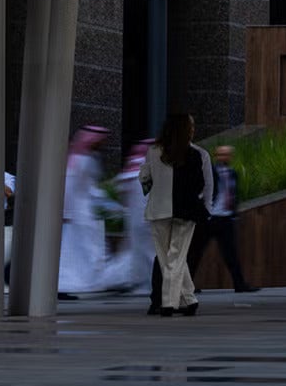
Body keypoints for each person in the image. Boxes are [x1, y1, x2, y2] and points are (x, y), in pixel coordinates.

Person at [140, 112, 211, 316]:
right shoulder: (196, 154)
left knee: (166, 258)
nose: (193, 129)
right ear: (186, 129)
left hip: (158, 210)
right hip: (186, 212)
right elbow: (200, 184)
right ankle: (172, 303)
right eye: (192, 125)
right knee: (177, 258)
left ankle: (187, 300)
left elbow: (144, 176)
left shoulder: (153, 151)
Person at [191, 146, 258, 293]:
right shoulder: (210, 172)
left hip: (226, 218)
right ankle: (187, 286)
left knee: (231, 254)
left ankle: (239, 284)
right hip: (210, 218)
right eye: (221, 154)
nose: (224, 157)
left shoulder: (233, 173)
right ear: (216, 156)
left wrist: (234, 213)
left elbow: (234, 194)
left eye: (227, 155)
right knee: (195, 252)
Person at [58, 126, 112, 296]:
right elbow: (74, 188)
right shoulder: (83, 160)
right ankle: (80, 282)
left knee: (79, 248)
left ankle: (79, 281)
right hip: (81, 211)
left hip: (80, 211)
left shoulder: (79, 158)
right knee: (85, 248)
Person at [97, 141, 155, 293]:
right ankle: (146, 283)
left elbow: (121, 192)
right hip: (147, 220)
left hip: (135, 221)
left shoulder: (130, 171)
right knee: (147, 254)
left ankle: (141, 282)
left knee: (139, 253)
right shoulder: (149, 170)